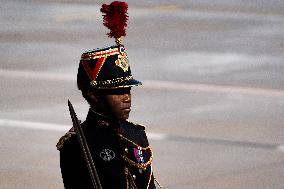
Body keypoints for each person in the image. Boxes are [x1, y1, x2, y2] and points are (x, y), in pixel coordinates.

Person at [56, 1, 162, 189]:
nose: (126, 97)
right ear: (94, 96)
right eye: (117, 92)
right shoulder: (77, 144)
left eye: (127, 90)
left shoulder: (135, 132)